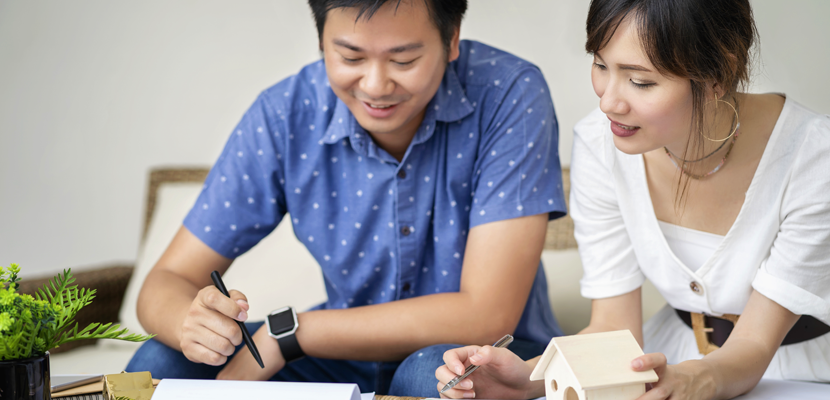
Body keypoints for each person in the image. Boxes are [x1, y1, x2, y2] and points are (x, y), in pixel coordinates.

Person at [125, 0, 568, 397]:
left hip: (485, 352)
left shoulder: (509, 92)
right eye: (350, 56)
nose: (375, 85)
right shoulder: (284, 114)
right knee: (160, 363)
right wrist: (193, 323)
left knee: (430, 375)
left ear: (451, 39)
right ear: (321, 41)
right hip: (340, 358)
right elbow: (165, 282)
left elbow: (486, 315)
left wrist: (292, 332)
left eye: (404, 59)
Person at [436, 0, 830, 398]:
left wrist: (692, 380)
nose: (608, 102)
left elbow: (755, 345)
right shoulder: (600, 143)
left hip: (806, 371)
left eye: (640, 82)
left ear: (718, 73)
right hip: (671, 363)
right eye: (601, 65)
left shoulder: (815, 159)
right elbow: (612, 327)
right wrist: (527, 379)